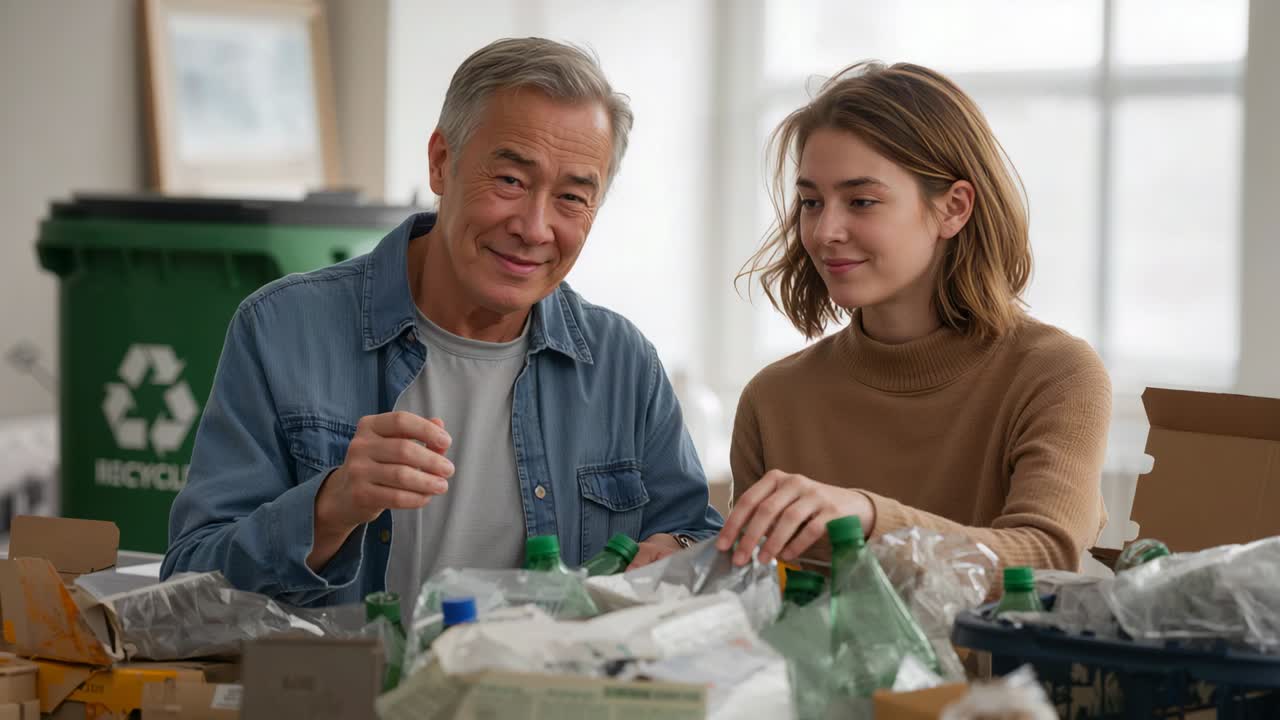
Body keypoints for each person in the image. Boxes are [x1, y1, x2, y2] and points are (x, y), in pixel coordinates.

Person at [163, 38, 723, 610]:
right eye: (510, 180)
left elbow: (698, 543)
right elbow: (187, 585)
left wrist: (679, 555)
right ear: (441, 162)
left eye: (572, 198)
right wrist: (330, 508)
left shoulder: (621, 364)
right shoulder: (282, 330)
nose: (534, 228)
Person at [718, 62, 1110, 572]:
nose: (823, 231)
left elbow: (1044, 555)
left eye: (861, 201)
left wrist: (868, 517)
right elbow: (750, 595)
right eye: (811, 202)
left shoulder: (1055, 373)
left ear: (954, 208)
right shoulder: (772, 400)